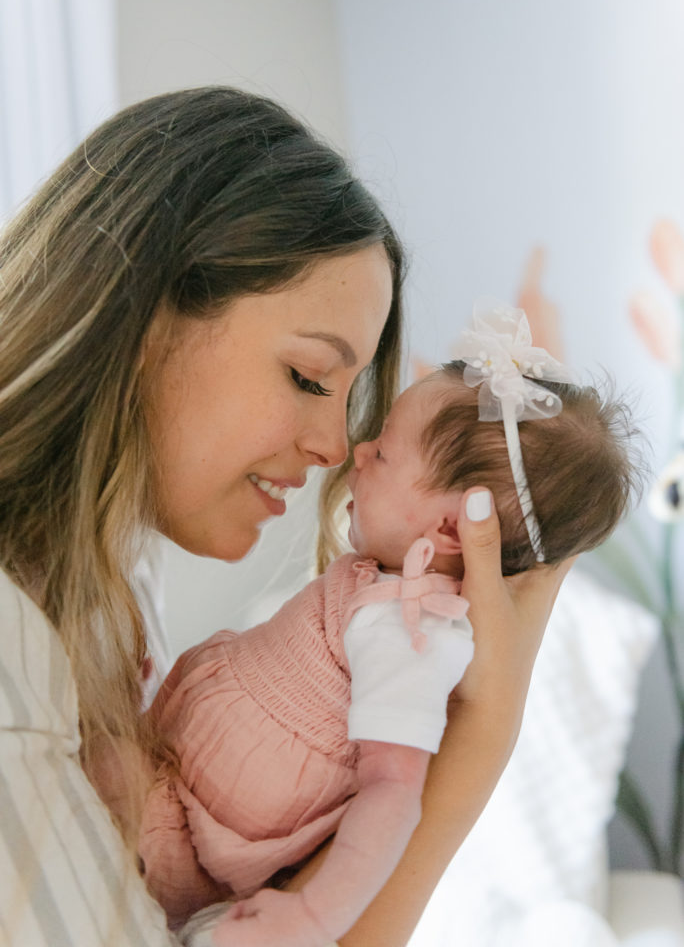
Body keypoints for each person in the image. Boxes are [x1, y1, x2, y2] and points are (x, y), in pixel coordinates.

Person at [0, 87, 573, 947]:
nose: (337, 448)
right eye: (309, 377)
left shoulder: (110, 584)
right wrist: (475, 749)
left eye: (351, 401)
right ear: (141, 317)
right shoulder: (13, 654)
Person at [124, 303, 641, 947]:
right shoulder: (374, 588)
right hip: (177, 785)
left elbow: (392, 795)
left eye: (387, 452)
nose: (357, 450)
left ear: (451, 528)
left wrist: (313, 916)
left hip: (189, 833)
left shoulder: (412, 630)